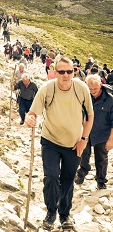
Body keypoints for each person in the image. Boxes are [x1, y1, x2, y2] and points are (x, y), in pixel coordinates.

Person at [25, 57, 93, 230]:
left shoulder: (81, 88)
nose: (65, 75)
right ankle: (51, 212)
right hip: (51, 141)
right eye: (61, 71)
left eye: (69, 71)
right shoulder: (47, 88)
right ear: (55, 72)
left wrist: (83, 140)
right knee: (52, 177)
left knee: (68, 180)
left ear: (74, 71)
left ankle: (65, 215)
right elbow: (33, 112)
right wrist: (29, 118)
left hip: (74, 143)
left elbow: (90, 116)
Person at [75, 74, 113, 190]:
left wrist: (111, 140)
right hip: (86, 132)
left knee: (101, 158)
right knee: (82, 154)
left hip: (102, 134)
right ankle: (83, 172)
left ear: (100, 85)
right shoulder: (84, 96)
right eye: (90, 89)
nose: (93, 92)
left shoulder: (110, 99)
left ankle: (101, 180)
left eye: (95, 89)